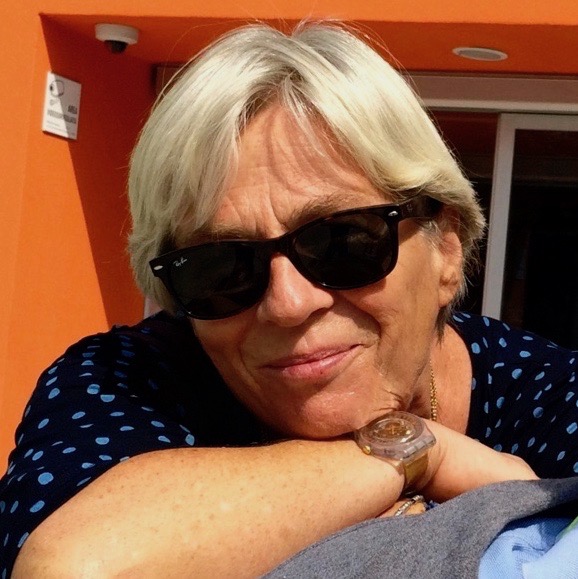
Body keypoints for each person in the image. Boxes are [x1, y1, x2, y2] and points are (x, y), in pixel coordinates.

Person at [1, 21, 577, 578]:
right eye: (221, 266)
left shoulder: (551, 398)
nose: (288, 303)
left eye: (343, 242)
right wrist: (416, 454)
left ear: (445, 250)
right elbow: (70, 567)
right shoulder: (122, 380)